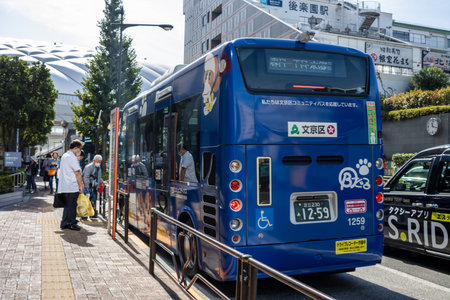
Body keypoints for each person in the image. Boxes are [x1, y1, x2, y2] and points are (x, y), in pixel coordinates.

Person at [58, 139, 84, 231]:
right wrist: (81, 185)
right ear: (76, 148)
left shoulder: (65, 155)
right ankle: (71, 223)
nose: (79, 151)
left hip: (65, 186)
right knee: (72, 206)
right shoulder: (72, 157)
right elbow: (77, 172)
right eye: (79, 149)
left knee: (67, 206)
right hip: (71, 186)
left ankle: (64, 223)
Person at [82, 154, 103, 218]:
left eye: (99, 161)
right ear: (94, 160)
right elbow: (86, 177)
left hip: (94, 185)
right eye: (97, 161)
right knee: (86, 200)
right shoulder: (88, 167)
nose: (98, 163)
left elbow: (99, 177)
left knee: (93, 199)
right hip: (88, 186)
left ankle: (92, 213)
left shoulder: (99, 167)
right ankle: (84, 214)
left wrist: (99, 183)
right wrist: (87, 186)